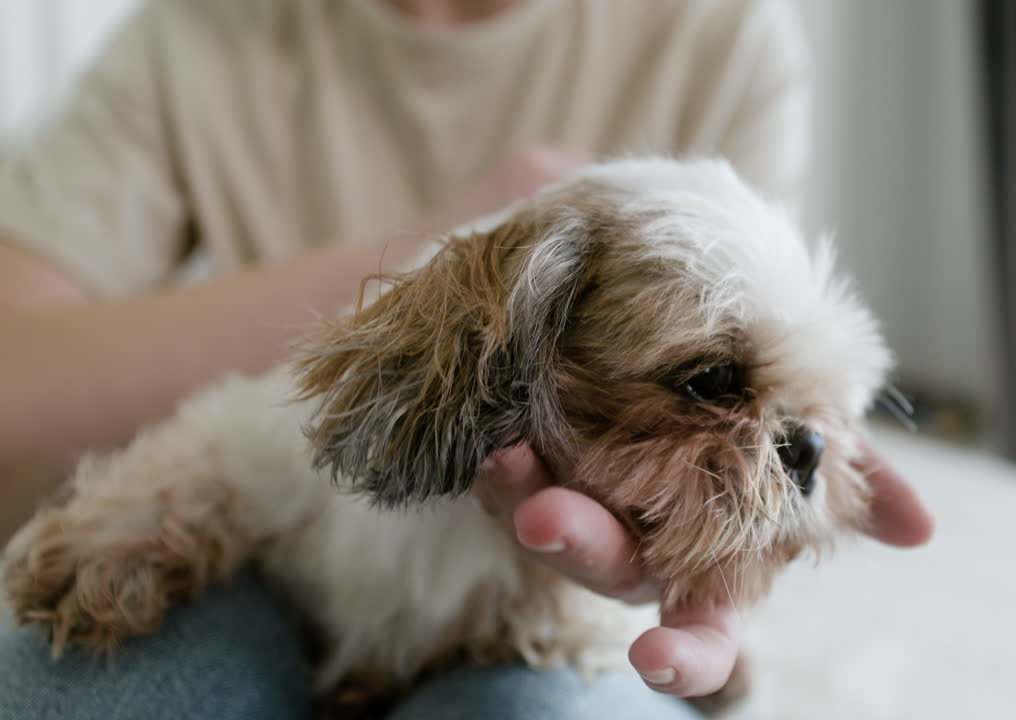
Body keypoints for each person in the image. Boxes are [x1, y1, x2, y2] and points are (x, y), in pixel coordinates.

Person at [0, 0, 934, 717]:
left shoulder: (724, 32)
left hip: (567, 623)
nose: (794, 444)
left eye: (812, 419)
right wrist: (466, 228)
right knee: (76, 680)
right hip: (289, 571)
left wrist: (712, 581)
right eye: (708, 384)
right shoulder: (195, 33)